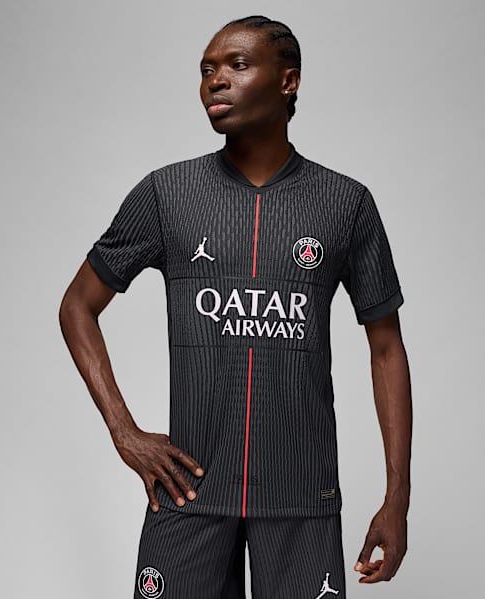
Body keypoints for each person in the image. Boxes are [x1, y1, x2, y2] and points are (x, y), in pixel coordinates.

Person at [59, 14, 412, 599]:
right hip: (190, 494)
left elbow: (387, 349)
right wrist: (124, 432)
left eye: (237, 65)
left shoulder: (345, 203)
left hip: (301, 499)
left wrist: (397, 498)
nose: (215, 80)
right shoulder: (167, 194)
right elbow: (77, 305)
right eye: (207, 70)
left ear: (288, 81)